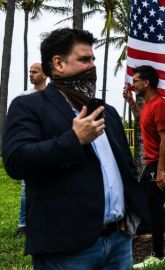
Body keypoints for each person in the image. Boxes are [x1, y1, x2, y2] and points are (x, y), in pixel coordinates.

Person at [2, 28, 149, 269]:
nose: (92, 66)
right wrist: (73, 139)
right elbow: (16, 161)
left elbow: (126, 166)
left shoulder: (106, 112)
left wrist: (131, 214)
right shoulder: (28, 106)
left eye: (93, 59)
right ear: (58, 63)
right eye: (84, 59)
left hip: (119, 242)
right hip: (67, 249)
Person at [123, 65, 165, 268]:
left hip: (163, 161)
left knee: (152, 207)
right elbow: (143, 120)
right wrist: (131, 102)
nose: (132, 84)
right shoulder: (148, 104)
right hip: (154, 162)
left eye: (135, 80)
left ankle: (158, 255)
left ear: (146, 82)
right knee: (149, 204)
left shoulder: (161, 105)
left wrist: (162, 170)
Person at [15, 63, 48, 238]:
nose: (30, 74)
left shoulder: (53, 96)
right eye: (29, 71)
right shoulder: (24, 97)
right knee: (25, 189)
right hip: (30, 149)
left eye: (34, 72)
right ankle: (22, 225)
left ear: (44, 74)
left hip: (49, 150)